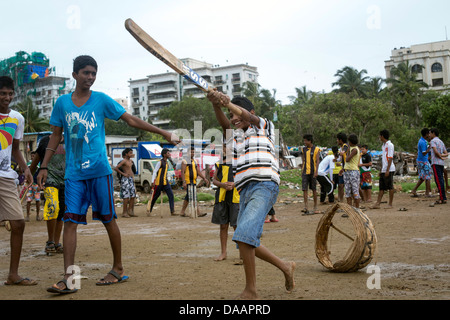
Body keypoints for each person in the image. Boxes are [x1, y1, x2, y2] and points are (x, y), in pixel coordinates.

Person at [38, 55, 178, 294]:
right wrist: (43, 166)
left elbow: (130, 120)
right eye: (85, 73)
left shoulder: (101, 100)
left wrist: (162, 132)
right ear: (75, 75)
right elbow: (54, 136)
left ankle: (118, 269)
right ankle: (69, 279)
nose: (90, 77)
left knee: (108, 219)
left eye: (93, 73)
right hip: (73, 174)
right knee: (70, 222)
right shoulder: (62, 103)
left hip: (99, 172)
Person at [207, 90, 295, 300]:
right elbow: (224, 124)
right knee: (245, 240)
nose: (234, 118)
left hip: (265, 184)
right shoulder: (235, 135)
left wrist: (227, 104)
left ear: (251, 112)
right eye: (232, 116)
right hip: (244, 190)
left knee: (244, 235)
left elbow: (246, 116)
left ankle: (251, 290)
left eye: (238, 114)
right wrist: (216, 105)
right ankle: (285, 266)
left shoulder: (264, 127)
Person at [0, 76, 37, 286]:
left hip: (6, 176)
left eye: (10, 93)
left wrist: (26, 168)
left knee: (18, 223)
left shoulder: (17, 118)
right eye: (2, 93)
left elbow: (15, 148)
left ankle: (13, 275)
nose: (7, 97)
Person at [29, 134, 66, 254]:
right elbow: (35, 161)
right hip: (49, 180)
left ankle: (56, 242)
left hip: (66, 180)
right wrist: (29, 177)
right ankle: (50, 241)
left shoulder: (70, 140)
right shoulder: (45, 141)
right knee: (52, 207)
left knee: (61, 211)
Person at [211, 144, 239, 261]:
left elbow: (244, 178)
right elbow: (214, 180)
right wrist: (223, 185)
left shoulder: (239, 162)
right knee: (223, 226)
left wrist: (234, 184)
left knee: (236, 226)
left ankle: (242, 254)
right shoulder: (219, 163)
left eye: (228, 146)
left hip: (236, 198)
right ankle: (223, 253)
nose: (226, 149)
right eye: (224, 147)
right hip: (222, 197)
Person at [179, 146, 209, 217]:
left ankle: (182, 212)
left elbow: (198, 171)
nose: (192, 153)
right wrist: (184, 182)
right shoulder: (185, 161)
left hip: (194, 181)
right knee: (193, 196)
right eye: (191, 152)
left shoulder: (195, 161)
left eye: (193, 152)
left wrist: (204, 178)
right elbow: (182, 172)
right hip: (188, 181)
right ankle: (198, 212)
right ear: (187, 152)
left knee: (188, 196)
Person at [371, 130, 395, 209]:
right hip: (384, 169)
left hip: (389, 169)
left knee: (390, 186)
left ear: (382, 136)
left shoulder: (390, 145)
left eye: (380, 136)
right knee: (381, 187)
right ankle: (378, 203)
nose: (379, 137)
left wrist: (387, 170)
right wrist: (382, 170)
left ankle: (390, 204)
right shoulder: (383, 145)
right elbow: (384, 159)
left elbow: (390, 158)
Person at [149, 148, 176, 215]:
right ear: (164, 155)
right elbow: (155, 171)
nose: (169, 154)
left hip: (165, 182)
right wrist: (153, 182)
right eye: (168, 153)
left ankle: (172, 211)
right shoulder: (160, 162)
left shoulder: (167, 162)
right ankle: (149, 209)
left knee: (171, 195)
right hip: (159, 183)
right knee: (155, 197)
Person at [114, 148, 137, 218]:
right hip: (125, 179)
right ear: (126, 154)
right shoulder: (124, 161)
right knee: (126, 196)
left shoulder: (131, 161)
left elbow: (132, 169)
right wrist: (123, 174)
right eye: (130, 153)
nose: (131, 154)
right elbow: (116, 168)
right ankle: (124, 212)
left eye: (132, 153)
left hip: (130, 179)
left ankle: (130, 211)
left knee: (133, 195)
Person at [301, 134, 320, 215]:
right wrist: (302, 169)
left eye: (306, 140)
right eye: (304, 140)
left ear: (310, 141)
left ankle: (315, 206)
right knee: (304, 189)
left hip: (313, 172)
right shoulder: (303, 149)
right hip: (305, 172)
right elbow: (303, 160)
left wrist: (316, 172)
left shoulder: (316, 149)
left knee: (314, 189)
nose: (304, 142)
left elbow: (317, 161)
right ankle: (306, 206)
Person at [411, 128, 432, 198]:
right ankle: (427, 193)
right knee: (428, 177)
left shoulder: (422, 140)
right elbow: (424, 152)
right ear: (426, 134)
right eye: (428, 133)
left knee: (422, 177)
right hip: (423, 161)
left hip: (420, 160)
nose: (429, 135)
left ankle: (414, 190)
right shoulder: (423, 142)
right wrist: (429, 148)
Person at [429, 128, 448, 204]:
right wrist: (443, 156)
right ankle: (443, 197)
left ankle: (442, 198)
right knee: (441, 180)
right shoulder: (441, 141)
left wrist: (440, 156)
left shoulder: (433, 141)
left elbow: (435, 152)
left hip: (435, 163)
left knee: (438, 181)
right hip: (441, 163)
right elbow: (446, 153)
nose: (429, 135)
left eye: (430, 133)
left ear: (433, 133)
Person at [344, 134, 361, 209]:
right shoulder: (352, 149)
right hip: (348, 170)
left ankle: (356, 209)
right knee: (348, 192)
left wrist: (347, 151)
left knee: (355, 191)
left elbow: (347, 159)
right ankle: (350, 209)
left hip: (353, 171)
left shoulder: (354, 149)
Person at [25, 151, 42, 222]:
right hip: (29, 185)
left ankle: (37, 215)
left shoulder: (39, 164)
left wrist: (40, 185)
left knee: (37, 200)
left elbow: (40, 174)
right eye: (31, 156)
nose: (32, 157)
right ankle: (27, 215)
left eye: (34, 156)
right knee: (28, 201)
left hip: (36, 184)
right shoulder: (28, 164)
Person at [336, 132, 349, 202]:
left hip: (347, 169)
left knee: (347, 186)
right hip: (343, 169)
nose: (337, 141)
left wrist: (341, 152)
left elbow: (344, 151)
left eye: (337, 139)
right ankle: (341, 201)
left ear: (340, 140)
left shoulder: (345, 146)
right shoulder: (341, 147)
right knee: (341, 185)